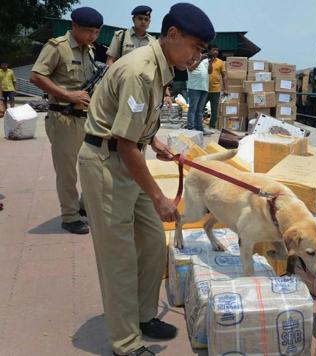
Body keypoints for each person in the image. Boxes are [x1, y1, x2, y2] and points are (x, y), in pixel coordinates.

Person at [77, 3, 214, 355]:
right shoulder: (142, 71)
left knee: (153, 243)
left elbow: (133, 127)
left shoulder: (160, 67)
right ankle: (125, 342)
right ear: (172, 35)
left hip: (126, 157)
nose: (198, 57)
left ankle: (142, 315)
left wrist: (153, 141)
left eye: (202, 51)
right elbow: (123, 143)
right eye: (195, 47)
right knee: (119, 258)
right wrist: (158, 196)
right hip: (106, 164)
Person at [30, 7, 102, 234]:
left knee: (92, 166)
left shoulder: (89, 50)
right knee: (67, 171)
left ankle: (82, 206)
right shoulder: (57, 47)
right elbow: (36, 76)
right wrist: (68, 95)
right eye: (88, 31)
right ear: (74, 26)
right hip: (64, 117)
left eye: (97, 32)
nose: (93, 36)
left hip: (86, 119)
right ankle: (70, 216)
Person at [185, 50, 210, 133]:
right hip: (194, 87)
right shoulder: (189, 58)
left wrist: (211, 61)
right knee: (193, 109)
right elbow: (191, 68)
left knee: (200, 110)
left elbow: (210, 71)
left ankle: (200, 129)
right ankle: (190, 128)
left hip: (204, 87)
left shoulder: (206, 60)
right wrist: (200, 59)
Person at [207, 44, 226, 130]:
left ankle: (212, 126)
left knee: (214, 110)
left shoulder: (221, 62)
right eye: (214, 50)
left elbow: (224, 76)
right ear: (209, 51)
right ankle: (199, 125)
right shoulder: (204, 61)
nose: (216, 52)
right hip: (204, 89)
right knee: (200, 108)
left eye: (217, 50)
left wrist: (225, 89)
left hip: (216, 89)